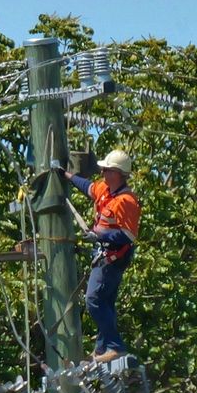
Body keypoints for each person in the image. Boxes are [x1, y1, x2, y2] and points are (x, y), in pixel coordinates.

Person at [61, 148, 140, 362]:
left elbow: (128, 236)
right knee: (105, 302)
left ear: (117, 173)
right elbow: (87, 187)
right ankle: (101, 349)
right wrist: (66, 175)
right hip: (104, 254)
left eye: (106, 170)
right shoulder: (105, 189)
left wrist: (100, 236)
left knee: (94, 299)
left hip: (113, 258)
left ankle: (114, 346)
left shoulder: (127, 201)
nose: (102, 172)